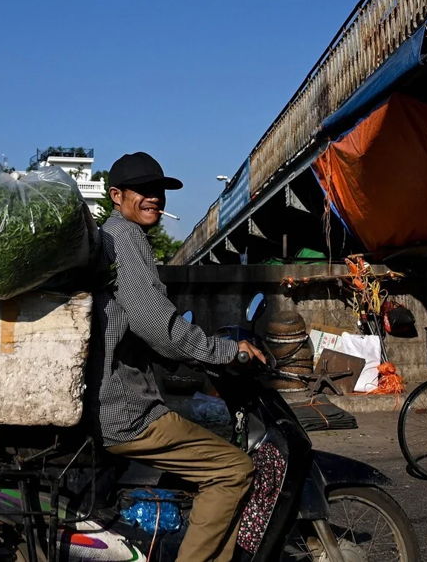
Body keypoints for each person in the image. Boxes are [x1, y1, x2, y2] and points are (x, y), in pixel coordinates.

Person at [85, 151, 266, 562]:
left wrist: (189, 356)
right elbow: (158, 326)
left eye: (159, 192)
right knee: (231, 470)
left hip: (111, 400)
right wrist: (224, 351)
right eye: (144, 192)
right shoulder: (125, 239)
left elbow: (140, 327)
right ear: (116, 195)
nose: (155, 199)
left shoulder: (115, 238)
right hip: (122, 411)